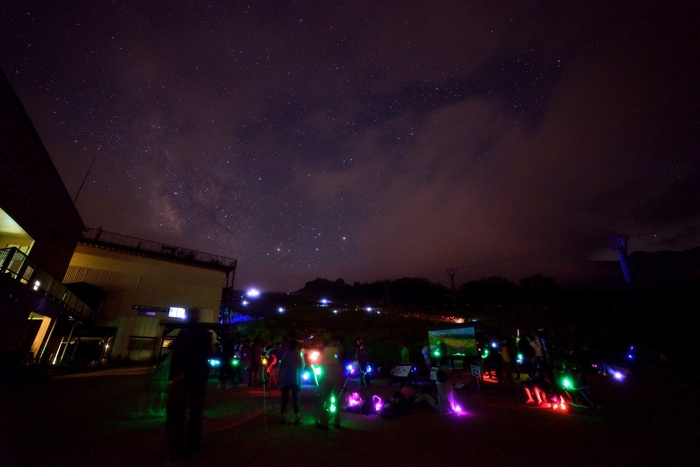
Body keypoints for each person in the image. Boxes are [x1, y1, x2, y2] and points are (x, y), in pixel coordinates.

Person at [166, 308, 214, 462]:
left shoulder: (183, 335)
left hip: (184, 377)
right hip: (197, 377)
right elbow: (208, 355)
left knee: (179, 412)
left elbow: (176, 356)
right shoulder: (205, 336)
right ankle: (192, 444)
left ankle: (178, 444)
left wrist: (173, 376)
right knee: (194, 413)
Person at [316, 336, 344, 429]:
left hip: (328, 374)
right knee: (337, 398)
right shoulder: (340, 349)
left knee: (324, 398)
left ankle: (324, 422)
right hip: (337, 374)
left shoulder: (326, 349)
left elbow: (322, 362)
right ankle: (336, 421)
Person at [279, 340, 304, 425]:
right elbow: (302, 366)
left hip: (285, 378)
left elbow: (281, 366)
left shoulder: (285, 355)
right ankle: (297, 418)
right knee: (296, 399)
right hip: (295, 379)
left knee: (284, 399)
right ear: (297, 347)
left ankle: (283, 417)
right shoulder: (298, 355)